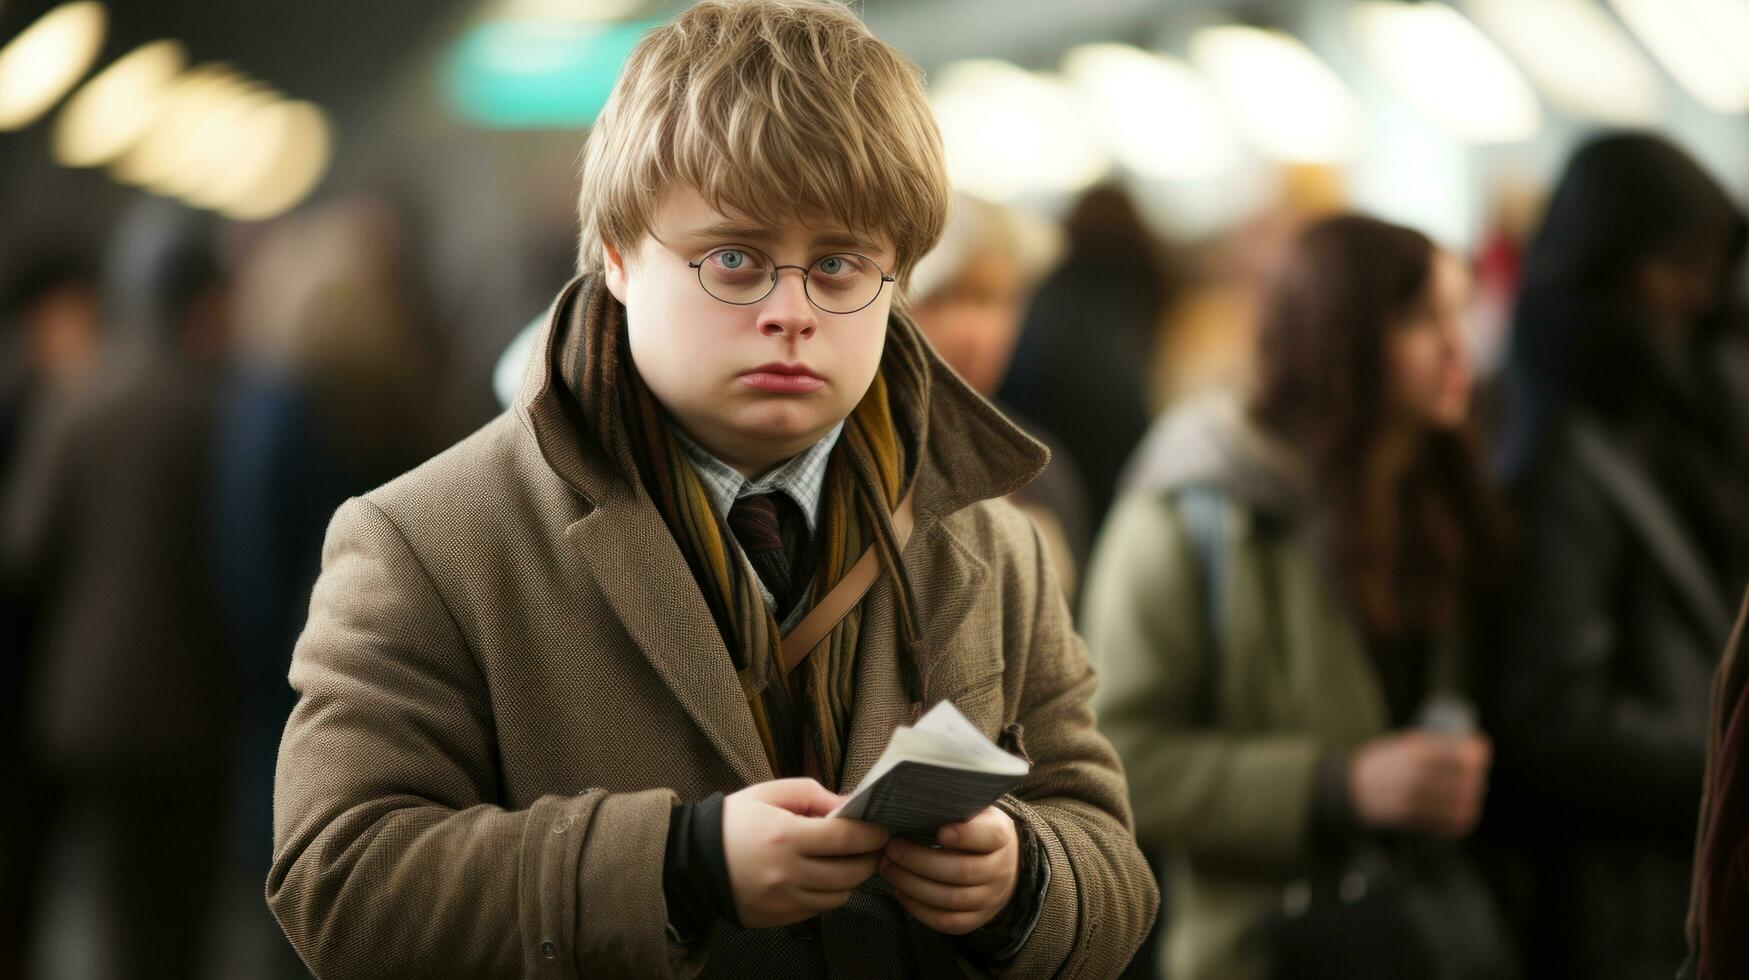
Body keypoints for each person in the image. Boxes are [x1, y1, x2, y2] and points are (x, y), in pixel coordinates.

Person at [265, 2, 1156, 976]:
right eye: (734, 259)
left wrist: (1025, 877)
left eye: (840, 264)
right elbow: (341, 883)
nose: (791, 314)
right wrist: (678, 864)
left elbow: (1113, 862)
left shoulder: (990, 541)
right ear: (615, 255)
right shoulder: (429, 543)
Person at [1086, 215, 1514, 980]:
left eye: (1462, 312)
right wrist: (1336, 784)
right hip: (1264, 950)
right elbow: (1117, 759)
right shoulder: (1195, 507)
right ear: (1339, 334)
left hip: (1419, 937)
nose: (1461, 347)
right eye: (1423, 319)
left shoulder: (1438, 492)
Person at [1488, 132, 1749, 980]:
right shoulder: (1560, 456)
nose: (1702, 292)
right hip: (1624, 909)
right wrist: (1724, 758)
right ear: (1610, 265)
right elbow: (1553, 718)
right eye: (1680, 263)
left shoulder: (1666, 418)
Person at [906, 193, 1092, 604]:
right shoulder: (855, 460)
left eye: (995, 300)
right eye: (948, 297)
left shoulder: (1039, 465)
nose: (977, 332)